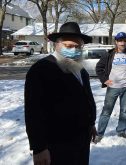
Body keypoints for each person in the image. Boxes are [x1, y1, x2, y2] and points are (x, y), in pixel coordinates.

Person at [24, 22, 97, 165]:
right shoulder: (41, 70)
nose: (74, 50)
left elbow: (85, 98)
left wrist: (90, 123)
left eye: (78, 47)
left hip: (82, 138)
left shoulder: (80, 69)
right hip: (56, 144)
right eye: (69, 46)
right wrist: (39, 148)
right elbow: (33, 112)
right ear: (57, 45)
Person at [95, 32, 126, 142]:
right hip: (113, 87)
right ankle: (100, 133)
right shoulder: (109, 54)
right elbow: (99, 67)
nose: (122, 43)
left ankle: (121, 130)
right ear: (116, 42)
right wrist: (105, 80)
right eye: (120, 40)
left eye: (124, 40)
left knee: (124, 111)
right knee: (106, 111)